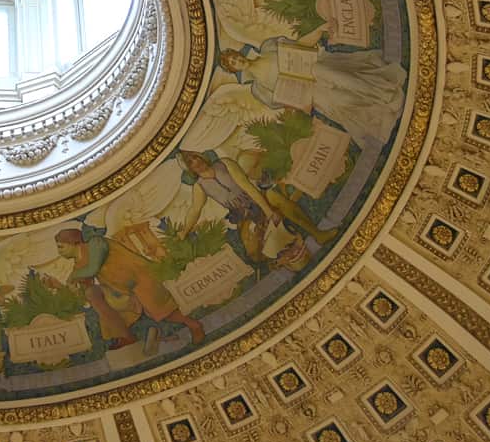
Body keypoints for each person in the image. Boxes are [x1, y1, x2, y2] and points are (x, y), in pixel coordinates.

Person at [219, 41, 405, 148]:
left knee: (345, 80)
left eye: (235, 56)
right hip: (309, 93)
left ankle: (385, 94)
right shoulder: (257, 89)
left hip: (312, 69)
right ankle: (380, 113)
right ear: (233, 69)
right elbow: (284, 103)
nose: (238, 60)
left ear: (239, 53)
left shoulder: (267, 47)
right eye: (234, 63)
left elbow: (296, 46)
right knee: (343, 103)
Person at [175, 150, 337, 267]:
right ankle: (283, 257)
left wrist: (268, 210)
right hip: (242, 214)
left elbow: (247, 186)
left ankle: (318, 234)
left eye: (196, 157)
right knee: (253, 250)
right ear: (190, 169)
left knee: (275, 198)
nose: (196, 162)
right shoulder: (200, 186)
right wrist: (184, 231)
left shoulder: (224, 164)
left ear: (201, 156)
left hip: (256, 199)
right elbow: (195, 211)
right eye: (191, 162)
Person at [53, 227, 205, 350]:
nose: (60, 251)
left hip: (140, 278)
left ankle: (193, 325)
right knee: (92, 294)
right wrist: (60, 286)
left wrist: (73, 276)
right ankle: (125, 335)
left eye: (61, 247)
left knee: (162, 311)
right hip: (121, 291)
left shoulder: (96, 243)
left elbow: (93, 268)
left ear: (74, 242)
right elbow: (82, 291)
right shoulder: (78, 265)